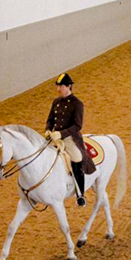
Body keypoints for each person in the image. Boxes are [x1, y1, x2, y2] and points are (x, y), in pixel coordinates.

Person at [45, 72, 91, 206]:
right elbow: (50, 120)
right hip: (55, 137)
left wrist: (61, 134)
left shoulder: (77, 104)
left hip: (70, 138)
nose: (58, 89)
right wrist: (48, 130)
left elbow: (77, 125)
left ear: (68, 87)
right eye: (58, 86)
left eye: (61, 86)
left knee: (77, 158)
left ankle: (80, 193)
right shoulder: (56, 102)